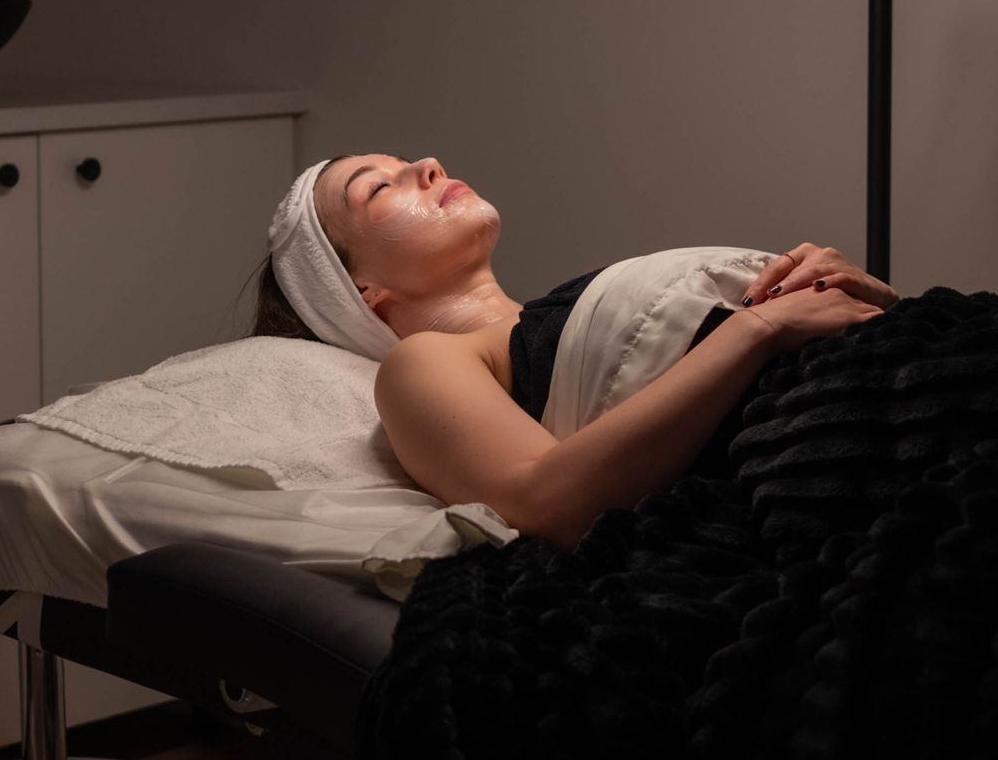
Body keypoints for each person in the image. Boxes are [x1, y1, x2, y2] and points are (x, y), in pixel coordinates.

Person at [253, 150, 895, 549]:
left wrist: (872, 301)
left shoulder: (551, 319)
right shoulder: (423, 363)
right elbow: (544, 505)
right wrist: (760, 329)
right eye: (378, 187)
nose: (428, 166)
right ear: (362, 289)